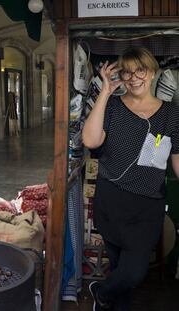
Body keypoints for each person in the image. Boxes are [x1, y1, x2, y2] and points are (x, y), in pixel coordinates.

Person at [82, 46, 179, 311]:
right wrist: (104, 92)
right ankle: (110, 304)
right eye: (127, 72)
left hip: (147, 206)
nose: (134, 77)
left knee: (134, 272)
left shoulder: (172, 113)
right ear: (121, 76)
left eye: (140, 70)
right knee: (118, 268)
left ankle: (100, 290)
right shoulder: (112, 107)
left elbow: (178, 162)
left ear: (152, 72)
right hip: (110, 201)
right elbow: (90, 140)